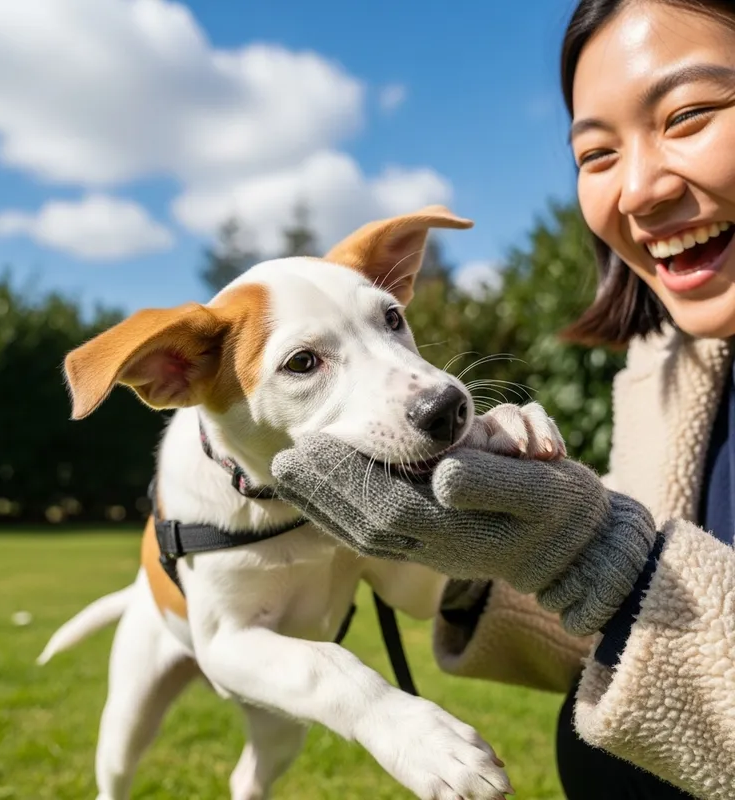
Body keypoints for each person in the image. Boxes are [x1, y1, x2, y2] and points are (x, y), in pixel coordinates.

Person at [269, 1, 735, 798]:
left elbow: (625, 582)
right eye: (596, 153)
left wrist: (596, 553)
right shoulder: (666, 374)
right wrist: (475, 555)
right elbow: (636, 652)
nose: (638, 190)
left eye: (687, 115)